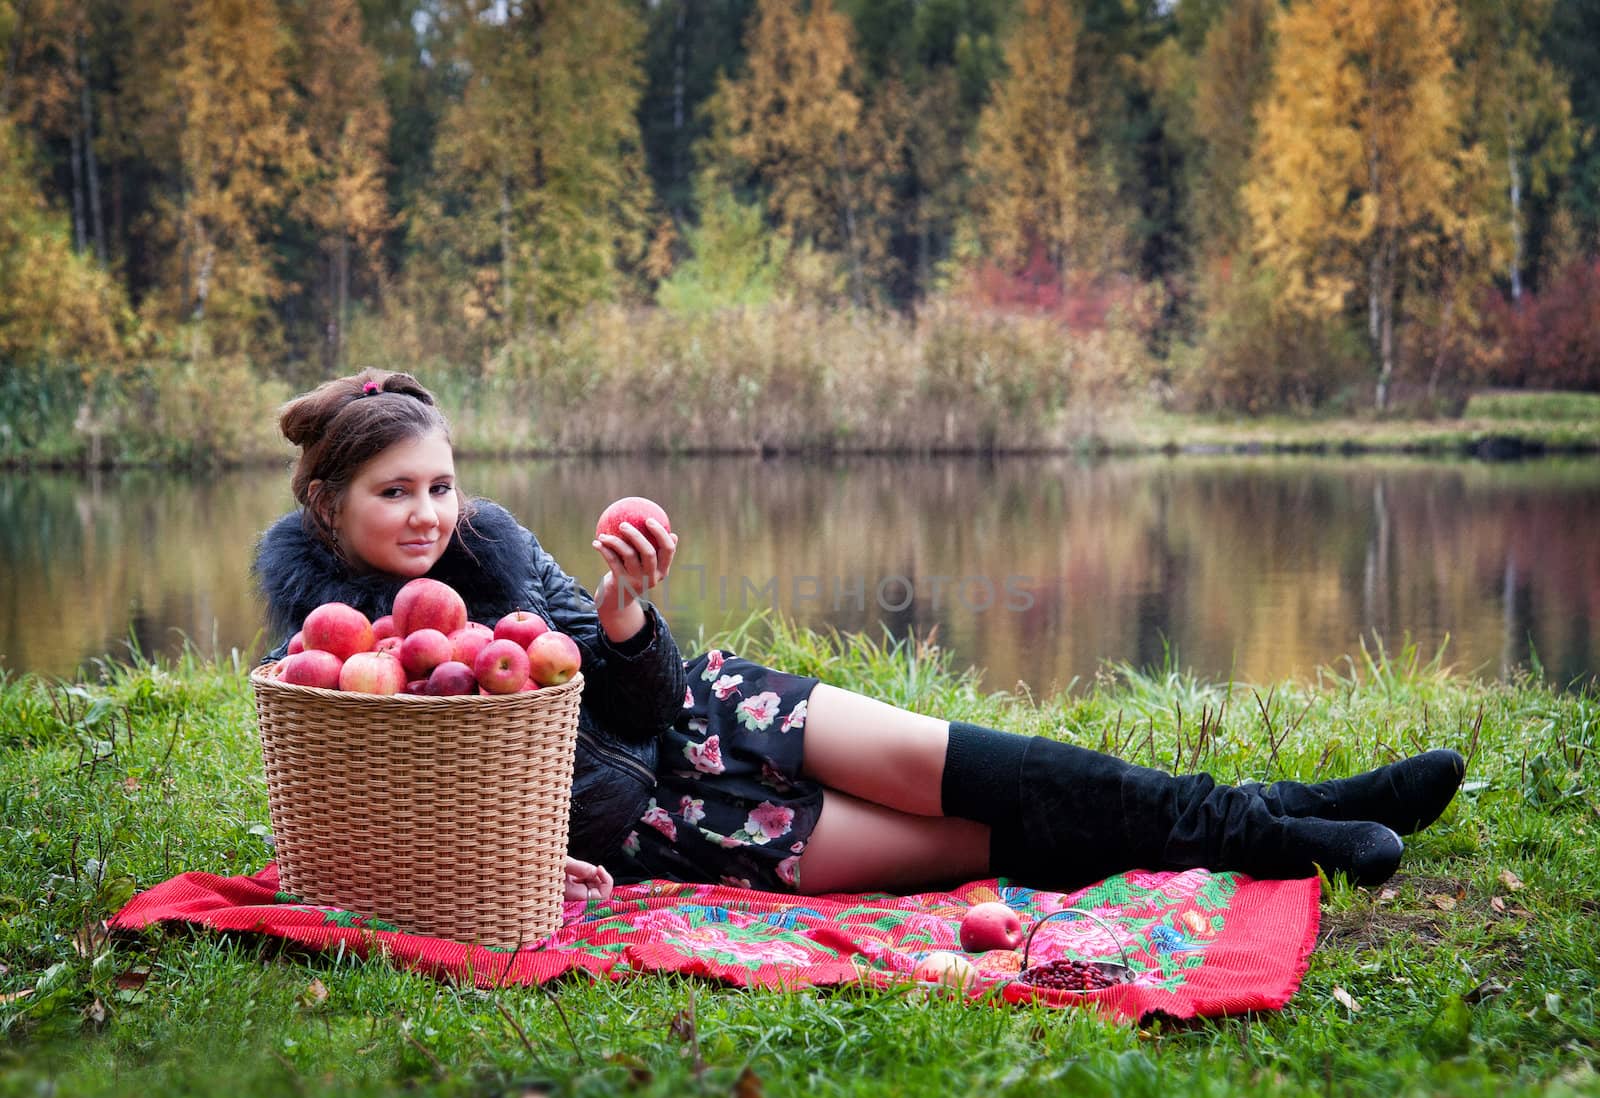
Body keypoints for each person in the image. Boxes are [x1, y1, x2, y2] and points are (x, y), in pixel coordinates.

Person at [254, 369, 1467, 906]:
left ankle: (1284, 814)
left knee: (1000, 762)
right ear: (329, 504)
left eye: (438, 486)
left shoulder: (498, 545)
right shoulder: (334, 665)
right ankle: (1277, 833)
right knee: (980, 840)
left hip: (715, 708)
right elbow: (399, 825)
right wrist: (523, 871)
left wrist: (623, 615)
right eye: (394, 493)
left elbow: (631, 696)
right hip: (671, 823)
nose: (426, 515)